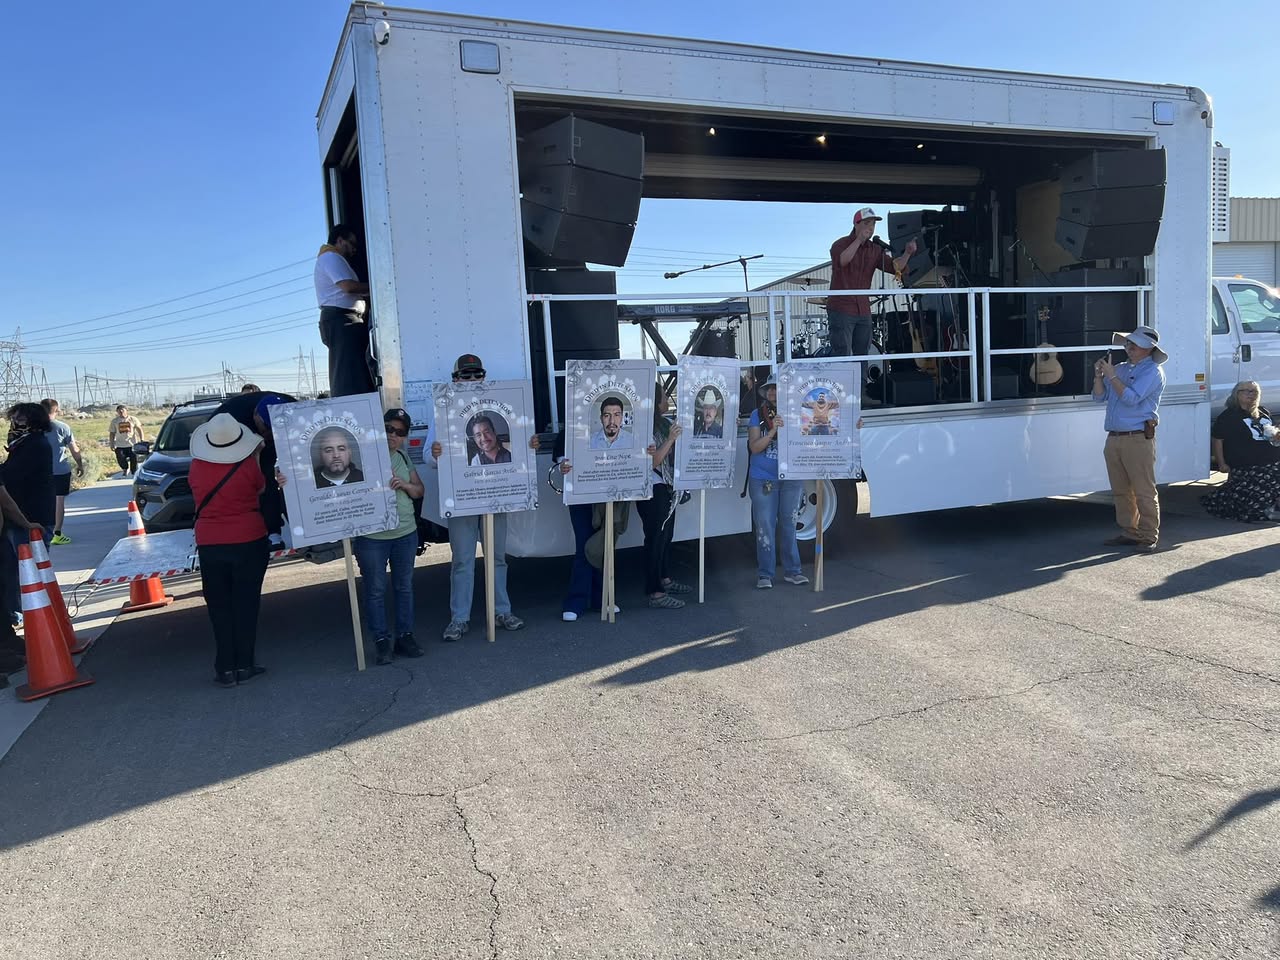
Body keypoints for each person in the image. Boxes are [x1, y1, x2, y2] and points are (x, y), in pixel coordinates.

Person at [430, 353, 531, 641]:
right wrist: (435, 453)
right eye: (466, 375)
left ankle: (502, 611)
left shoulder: (503, 402)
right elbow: (428, 455)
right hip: (463, 498)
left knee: (497, 558)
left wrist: (530, 444)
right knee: (463, 560)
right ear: (455, 379)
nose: (473, 379)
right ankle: (459, 619)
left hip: (495, 497)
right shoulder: (444, 406)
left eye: (477, 374)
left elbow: (522, 447)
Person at [189, 413, 271, 687]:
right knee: (246, 603)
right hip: (248, 536)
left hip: (210, 541)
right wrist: (255, 455)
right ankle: (245, 664)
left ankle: (225, 668)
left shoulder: (196, 466)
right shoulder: (247, 465)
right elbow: (260, 489)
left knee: (219, 605)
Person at [354, 409, 425, 665]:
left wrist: (405, 485)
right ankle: (381, 641)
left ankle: (405, 637)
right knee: (375, 590)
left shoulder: (403, 458)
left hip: (405, 532)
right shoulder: (360, 457)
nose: (393, 435)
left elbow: (419, 491)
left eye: (400, 432)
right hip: (372, 537)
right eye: (388, 429)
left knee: (404, 587)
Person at [1092, 325, 1168, 552]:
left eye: (1134, 344)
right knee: (1121, 489)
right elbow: (1099, 397)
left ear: (1148, 349)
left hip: (1137, 437)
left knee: (1144, 490)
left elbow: (1131, 399)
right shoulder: (1121, 369)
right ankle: (1130, 531)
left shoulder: (1153, 372)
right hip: (1115, 436)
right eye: (1128, 343)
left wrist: (1112, 375)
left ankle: (1148, 535)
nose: (1129, 347)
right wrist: (1099, 376)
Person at [828, 207, 917, 391]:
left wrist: (907, 253)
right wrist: (859, 240)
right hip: (841, 307)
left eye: (873, 224)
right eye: (867, 223)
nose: (871, 227)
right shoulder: (840, 244)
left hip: (863, 309)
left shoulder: (875, 249)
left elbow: (895, 267)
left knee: (862, 353)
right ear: (856, 224)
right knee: (842, 352)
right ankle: (840, 395)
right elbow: (842, 261)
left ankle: (860, 394)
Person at [747, 376, 808, 589]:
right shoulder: (757, 415)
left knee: (789, 524)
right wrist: (773, 431)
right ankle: (765, 574)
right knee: (765, 525)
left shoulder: (798, 413)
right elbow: (755, 447)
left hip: (791, 477)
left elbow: (821, 429)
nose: (773, 392)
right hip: (763, 478)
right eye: (769, 389)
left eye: (777, 388)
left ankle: (793, 571)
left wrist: (852, 425)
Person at [635, 383, 689, 609]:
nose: (668, 400)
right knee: (655, 540)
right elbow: (653, 461)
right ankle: (655, 592)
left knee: (666, 536)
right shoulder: (643, 426)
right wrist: (670, 439)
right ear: (655, 402)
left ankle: (665, 579)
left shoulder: (664, 423)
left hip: (667, 487)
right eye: (665, 397)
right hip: (652, 489)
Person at [1, 405, 52, 623]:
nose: (14, 424)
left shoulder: (35, 445)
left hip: (30, 517)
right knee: (12, 570)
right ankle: (17, 613)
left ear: (32, 421)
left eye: (18, 419)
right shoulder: (24, 444)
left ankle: (34, 615)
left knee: (28, 570)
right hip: (19, 516)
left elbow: (10, 475)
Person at [1201, 381, 1280, 523]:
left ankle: (1273, 506)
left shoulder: (1263, 412)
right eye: (1246, 391)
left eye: (1254, 391)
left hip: (1272, 458)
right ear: (1236, 394)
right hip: (1247, 462)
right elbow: (1217, 440)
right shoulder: (1229, 416)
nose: (1251, 394)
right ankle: (1262, 510)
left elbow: (1272, 431)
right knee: (1270, 477)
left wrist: (1276, 435)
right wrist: (1222, 463)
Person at [315, 223, 375, 397]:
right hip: (342, 320)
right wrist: (377, 286)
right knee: (349, 376)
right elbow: (349, 287)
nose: (354, 249)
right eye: (352, 244)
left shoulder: (331, 259)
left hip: (344, 319)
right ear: (340, 240)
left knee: (354, 371)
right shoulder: (331, 257)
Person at [41, 399, 85, 545]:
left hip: (40, 471)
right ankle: (57, 533)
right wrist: (80, 464)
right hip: (60, 470)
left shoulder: (34, 427)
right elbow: (74, 449)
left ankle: (40, 531)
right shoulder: (62, 427)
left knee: (42, 500)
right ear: (56, 410)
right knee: (59, 501)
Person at [108, 404, 144, 477]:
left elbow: (139, 429)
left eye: (123, 410)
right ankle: (125, 469)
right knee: (120, 458)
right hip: (120, 444)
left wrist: (142, 439)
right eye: (119, 410)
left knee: (134, 459)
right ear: (117, 412)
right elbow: (112, 433)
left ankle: (134, 472)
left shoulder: (133, 419)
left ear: (126, 411)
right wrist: (112, 443)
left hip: (132, 444)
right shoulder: (115, 421)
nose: (121, 412)